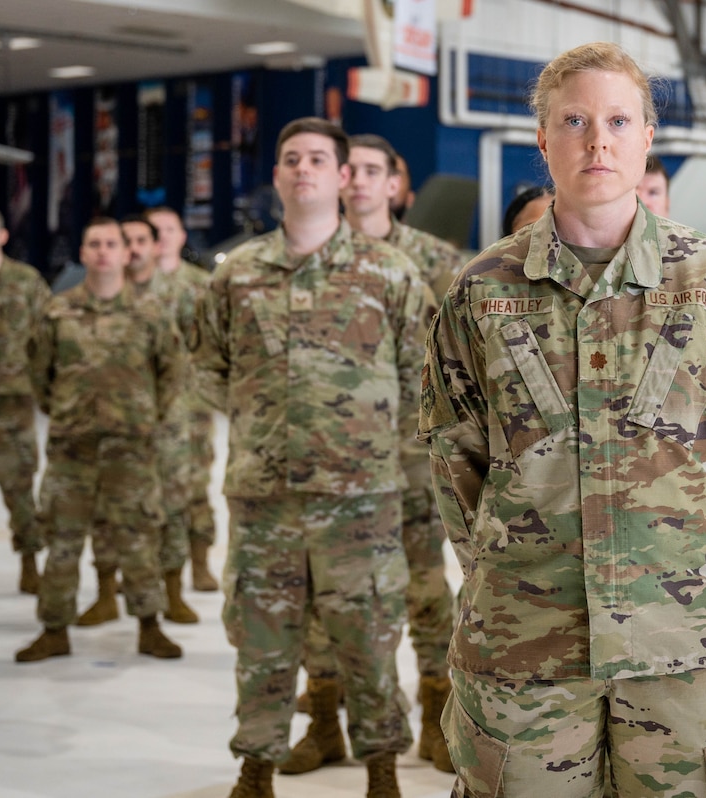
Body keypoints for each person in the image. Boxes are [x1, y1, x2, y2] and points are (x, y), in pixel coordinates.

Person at [419, 42, 706, 798]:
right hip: (524, 640)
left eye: (619, 120)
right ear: (543, 142)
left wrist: (681, 558)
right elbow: (455, 458)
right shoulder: (481, 292)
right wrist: (510, 564)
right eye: (576, 120)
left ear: (647, 138)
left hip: (683, 640)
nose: (598, 140)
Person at [190, 117, 432, 798]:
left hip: (361, 500)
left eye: (318, 159)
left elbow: (425, 377)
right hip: (264, 498)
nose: (304, 169)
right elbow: (206, 366)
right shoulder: (237, 276)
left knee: (370, 636)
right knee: (262, 640)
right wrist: (263, 424)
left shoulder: (390, 272)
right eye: (291, 158)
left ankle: (381, 768)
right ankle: (256, 766)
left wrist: (376, 443)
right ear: (276, 176)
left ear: (343, 176)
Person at [274, 132, 460, 777]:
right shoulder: (308, 255)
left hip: (411, 460)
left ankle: (439, 714)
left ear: (393, 186)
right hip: (329, 466)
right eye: (350, 170)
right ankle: (326, 721)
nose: (356, 182)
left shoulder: (435, 261)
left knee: (425, 589)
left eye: (373, 171)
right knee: (319, 593)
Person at [16, 217, 185, 663]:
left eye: (112, 243)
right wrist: (66, 412)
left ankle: (150, 626)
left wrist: (147, 415)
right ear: (85, 253)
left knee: (139, 538)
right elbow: (39, 373)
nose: (105, 251)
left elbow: (171, 371)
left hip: (131, 449)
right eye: (95, 244)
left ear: (125, 252)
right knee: (63, 540)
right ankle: (54, 628)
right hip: (73, 450)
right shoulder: (58, 312)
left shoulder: (149, 313)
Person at [76, 214, 200, 628]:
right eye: (124, 240)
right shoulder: (105, 292)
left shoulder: (175, 293)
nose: (132, 248)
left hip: (167, 420)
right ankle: (107, 594)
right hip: (111, 423)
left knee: (172, 506)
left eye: (140, 239)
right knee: (107, 509)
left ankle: (173, 592)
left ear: (153, 245)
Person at [145, 205, 219, 593]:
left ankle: (200, 560)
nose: (162, 238)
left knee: (195, 481)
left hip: (192, 402)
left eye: (169, 229)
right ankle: (150, 565)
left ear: (182, 236)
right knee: (148, 483)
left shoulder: (200, 284)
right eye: (154, 231)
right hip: (149, 402)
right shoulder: (136, 284)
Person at [0, 210, 51, 595]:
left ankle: (30, 560)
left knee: (18, 485)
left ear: (2, 235)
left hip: (13, 400)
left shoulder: (25, 281)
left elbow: (48, 334)